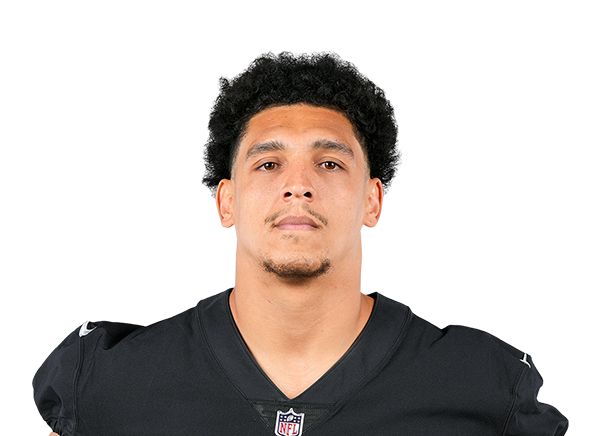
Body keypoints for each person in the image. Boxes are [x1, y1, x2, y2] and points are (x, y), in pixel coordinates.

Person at [33, 49, 568, 436]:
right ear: (226, 202)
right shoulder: (106, 382)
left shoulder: (480, 387)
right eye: (268, 163)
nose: (298, 184)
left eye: (329, 163)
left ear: (372, 202)